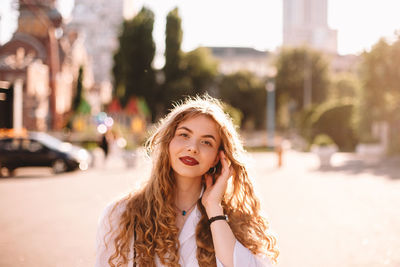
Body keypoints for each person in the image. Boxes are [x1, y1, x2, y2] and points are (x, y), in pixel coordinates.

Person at [95, 95, 279, 267]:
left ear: (218, 157)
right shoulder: (121, 214)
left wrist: (214, 209)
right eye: (184, 135)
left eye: (206, 142)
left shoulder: (235, 220)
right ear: (168, 142)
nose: (192, 148)